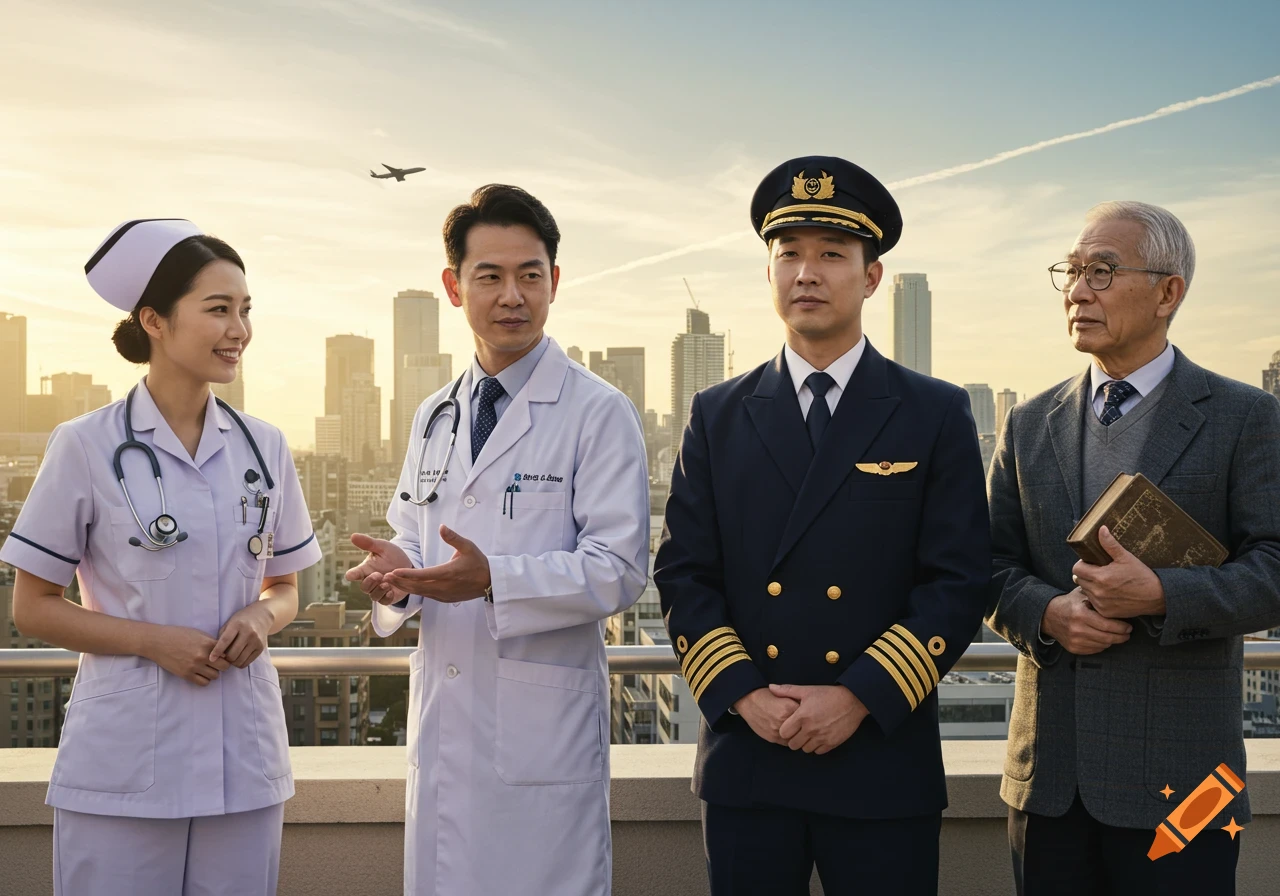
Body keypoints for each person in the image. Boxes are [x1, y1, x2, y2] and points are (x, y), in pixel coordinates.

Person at [654, 156, 991, 895]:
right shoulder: (717, 414)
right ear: (768, 273)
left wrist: (859, 696)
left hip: (879, 756)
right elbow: (683, 573)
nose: (807, 272)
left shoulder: (933, 412)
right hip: (751, 754)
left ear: (871, 277)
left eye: (832, 254)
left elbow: (959, 580)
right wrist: (744, 694)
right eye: (789, 255)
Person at [1, 219, 322, 895]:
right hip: (125, 762)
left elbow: (286, 585)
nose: (239, 330)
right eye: (217, 310)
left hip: (243, 756)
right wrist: (155, 643)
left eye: (244, 310)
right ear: (154, 320)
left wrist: (263, 620)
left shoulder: (264, 447)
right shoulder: (85, 445)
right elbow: (32, 608)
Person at [345, 184, 649, 896]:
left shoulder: (599, 412)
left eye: (530, 275)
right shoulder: (433, 414)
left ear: (555, 283)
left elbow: (619, 569)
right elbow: (413, 539)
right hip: (446, 723)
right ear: (454, 287)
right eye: (490, 276)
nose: (512, 295)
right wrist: (397, 578)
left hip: (541, 734)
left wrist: (492, 580)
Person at [985, 201, 1280, 895]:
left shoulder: (1247, 418)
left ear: (1169, 292)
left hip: (1189, 785)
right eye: (1071, 272)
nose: (1078, 291)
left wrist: (1163, 595)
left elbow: (1275, 565)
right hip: (1048, 782)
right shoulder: (1028, 423)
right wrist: (1048, 614)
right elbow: (987, 567)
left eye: (1102, 272)